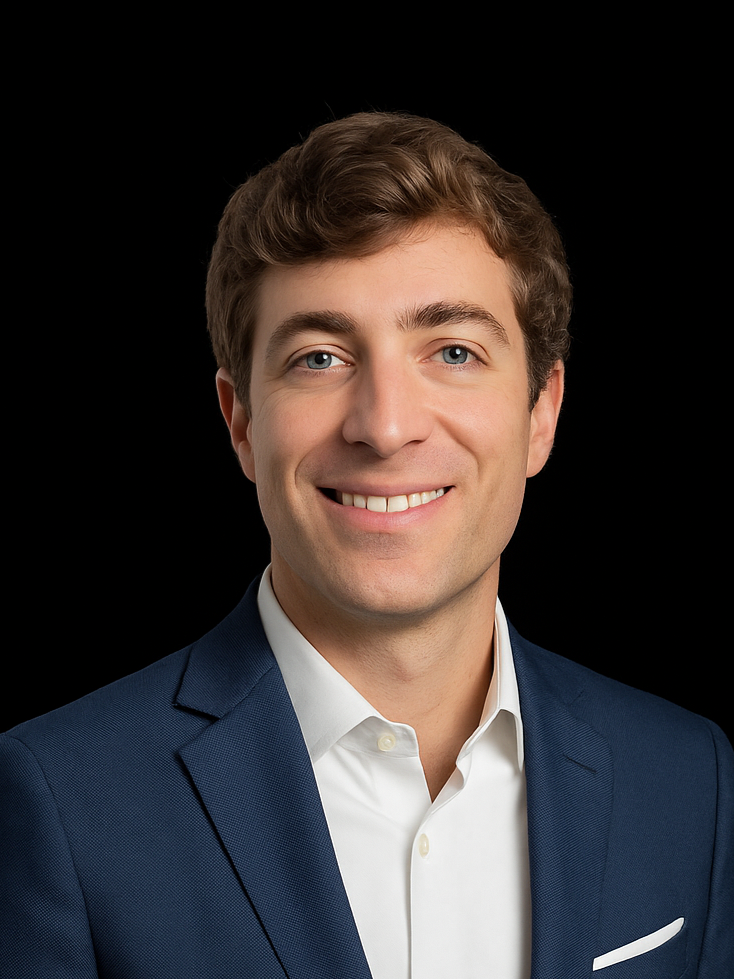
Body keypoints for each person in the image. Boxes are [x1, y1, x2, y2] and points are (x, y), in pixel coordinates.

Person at [1, 112, 731, 979]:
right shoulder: (57, 798)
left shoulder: (689, 777)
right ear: (239, 421)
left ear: (543, 412)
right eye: (319, 357)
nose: (385, 427)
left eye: (452, 350)